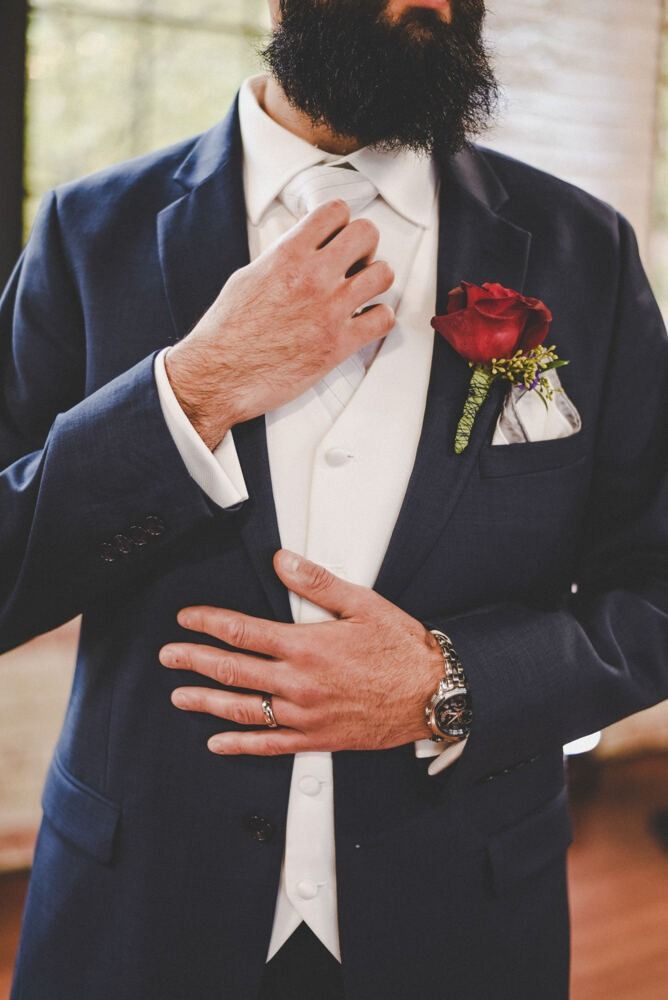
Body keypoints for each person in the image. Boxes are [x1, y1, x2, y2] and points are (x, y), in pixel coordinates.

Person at [3, 1, 667, 997]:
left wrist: (455, 682)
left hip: (461, 922)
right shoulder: (86, 234)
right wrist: (192, 391)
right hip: (141, 912)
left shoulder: (585, 252)